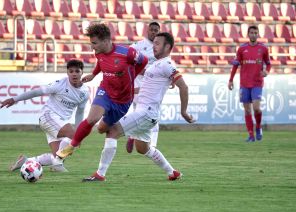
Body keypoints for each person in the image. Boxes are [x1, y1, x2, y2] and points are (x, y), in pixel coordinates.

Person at [82, 32, 195, 182]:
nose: (153, 46)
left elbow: (184, 87)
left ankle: (100, 174)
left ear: (167, 46)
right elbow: (147, 88)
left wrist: (184, 112)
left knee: (113, 131)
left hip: (146, 113)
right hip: (148, 114)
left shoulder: (167, 65)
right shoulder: (156, 64)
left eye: (157, 43)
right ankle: (172, 172)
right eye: (153, 43)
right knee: (143, 148)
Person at [57, 23, 148, 159]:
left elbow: (144, 61)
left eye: (94, 43)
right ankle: (71, 146)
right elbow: (101, 62)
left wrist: (132, 76)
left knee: (101, 129)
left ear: (106, 41)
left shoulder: (127, 53)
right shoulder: (98, 53)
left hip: (123, 100)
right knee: (91, 119)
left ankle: (131, 132)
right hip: (105, 91)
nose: (92, 47)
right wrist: (94, 74)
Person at [0, 59, 89, 172]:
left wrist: (78, 132)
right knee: (72, 139)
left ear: (82, 72)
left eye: (77, 71)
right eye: (71, 71)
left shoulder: (85, 92)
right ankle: (57, 164)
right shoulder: (59, 84)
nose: (74, 74)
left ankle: (26, 161)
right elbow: (37, 92)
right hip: (48, 116)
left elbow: (80, 113)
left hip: (59, 123)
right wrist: (15, 99)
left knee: (57, 155)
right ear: (67, 73)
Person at [228, 25, 271, 142]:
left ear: (258, 34)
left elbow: (268, 63)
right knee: (247, 110)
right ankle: (251, 135)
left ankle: (258, 127)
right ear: (248, 34)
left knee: (256, 108)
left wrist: (266, 71)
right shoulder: (242, 49)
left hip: (257, 83)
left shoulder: (263, 48)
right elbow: (235, 65)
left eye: (255, 33)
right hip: (244, 83)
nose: (253, 34)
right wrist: (231, 80)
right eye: (251, 32)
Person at [126, 21, 161, 153]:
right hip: (139, 84)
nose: (154, 32)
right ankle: (133, 135)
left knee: (154, 114)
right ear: (147, 31)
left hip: (154, 86)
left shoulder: (161, 48)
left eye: (156, 30)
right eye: (152, 29)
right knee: (140, 113)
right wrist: (143, 71)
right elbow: (129, 62)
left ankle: (151, 144)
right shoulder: (138, 46)